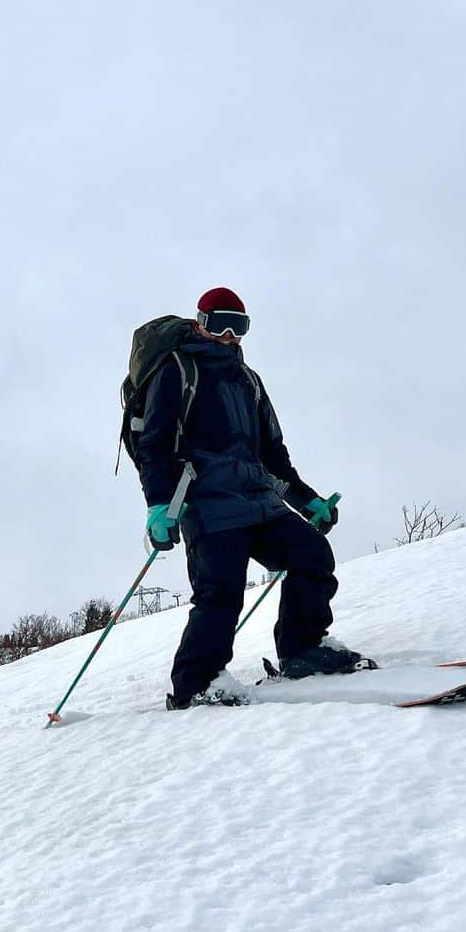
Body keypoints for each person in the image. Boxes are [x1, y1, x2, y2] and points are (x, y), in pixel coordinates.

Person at [134, 287, 369, 710]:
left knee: (312, 555)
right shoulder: (177, 370)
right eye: (217, 324)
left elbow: (273, 453)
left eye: (237, 326)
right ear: (200, 323)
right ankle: (197, 683)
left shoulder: (248, 381)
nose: (228, 335)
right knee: (220, 593)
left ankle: (302, 649)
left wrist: (308, 500)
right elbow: (154, 445)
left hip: (260, 500)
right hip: (207, 503)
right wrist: (158, 505)